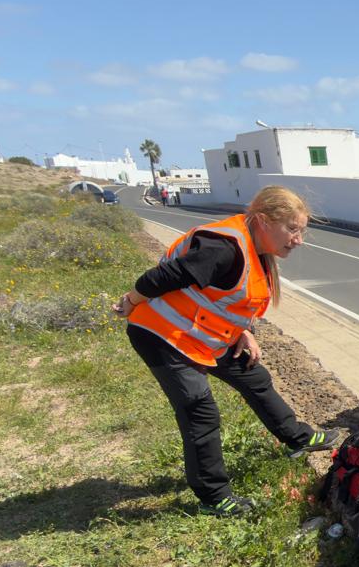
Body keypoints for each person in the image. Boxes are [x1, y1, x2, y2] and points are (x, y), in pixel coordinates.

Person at [115, 185, 341, 516]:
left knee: (254, 376)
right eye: (292, 229)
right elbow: (163, 276)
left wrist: (244, 333)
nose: (298, 239)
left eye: (301, 230)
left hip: (203, 335)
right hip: (163, 335)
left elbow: (232, 297)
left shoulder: (254, 248)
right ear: (264, 221)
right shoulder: (223, 247)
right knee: (199, 410)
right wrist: (131, 301)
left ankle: (297, 439)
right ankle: (213, 496)